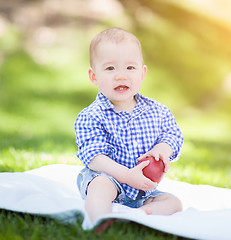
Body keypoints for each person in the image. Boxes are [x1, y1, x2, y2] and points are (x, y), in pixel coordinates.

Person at [74, 27, 184, 224]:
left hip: (142, 189)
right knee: (100, 187)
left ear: (142, 73)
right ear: (94, 77)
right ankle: (99, 220)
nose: (121, 76)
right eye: (110, 68)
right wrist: (125, 175)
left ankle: (139, 216)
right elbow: (95, 158)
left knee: (174, 203)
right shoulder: (91, 116)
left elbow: (172, 135)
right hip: (109, 178)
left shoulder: (157, 111)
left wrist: (161, 150)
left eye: (130, 68)